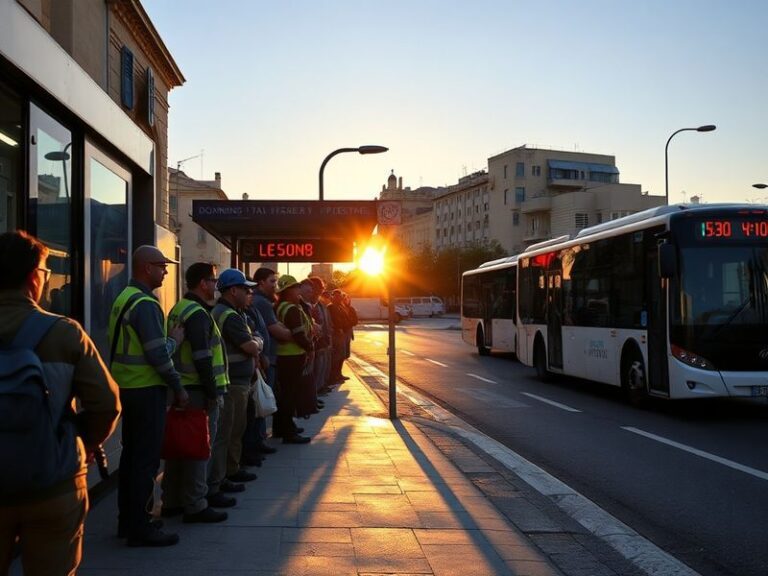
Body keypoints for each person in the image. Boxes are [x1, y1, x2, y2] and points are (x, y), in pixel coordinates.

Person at [0, 231, 121, 575]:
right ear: (33, 278)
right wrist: (79, 442)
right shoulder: (64, 333)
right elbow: (106, 404)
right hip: (53, 484)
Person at [109, 244, 188, 547]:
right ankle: (141, 527)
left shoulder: (123, 298)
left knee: (130, 458)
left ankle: (126, 522)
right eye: (162, 266)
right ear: (146, 268)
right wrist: (175, 341)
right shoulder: (145, 304)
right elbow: (158, 355)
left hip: (127, 388)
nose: (166, 271)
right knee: (145, 461)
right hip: (145, 389)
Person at [161, 263, 229, 523]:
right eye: (213, 280)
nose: (215, 286)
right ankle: (196, 504)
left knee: (179, 447)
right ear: (203, 283)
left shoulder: (179, 308)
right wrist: (213, 392)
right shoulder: (198, 313)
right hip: (198, 390)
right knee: (198, 449)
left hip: (181, 387)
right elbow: (203, 357)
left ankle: (171, 501)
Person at [208, 269, 262, 501]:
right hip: (232, 383)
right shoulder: (228, 315)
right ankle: (222, 477)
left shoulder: (228, 312)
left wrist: (255, 341)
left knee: (233, 430)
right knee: (228, 432)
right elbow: (250, 346)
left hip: (235, 380)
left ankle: (228, 472)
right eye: (245, 288)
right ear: (233, 291)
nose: (249, 292)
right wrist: (258, 342)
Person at [249, 268, 293, 446]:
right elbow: (275, 330)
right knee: (262, 400)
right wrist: (297, 335)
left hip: (268, 358)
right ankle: (257, 441)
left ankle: (259, 440)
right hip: (266, 360)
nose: (275, 286)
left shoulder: (265, 302)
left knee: (264, 398)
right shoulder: (262, 303)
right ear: (261, 283)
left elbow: (276, 325)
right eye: (272, 282)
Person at [274, 275, 314, 444]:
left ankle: (283, 426)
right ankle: (288, 433)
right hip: (292, 356)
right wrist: (310, 348)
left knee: (285, 394)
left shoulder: (281, 307)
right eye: (296, 287)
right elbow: (298, 334)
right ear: (288, 291)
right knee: (289, 395)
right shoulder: (291, 309)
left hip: (286, 356)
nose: (299, 290)